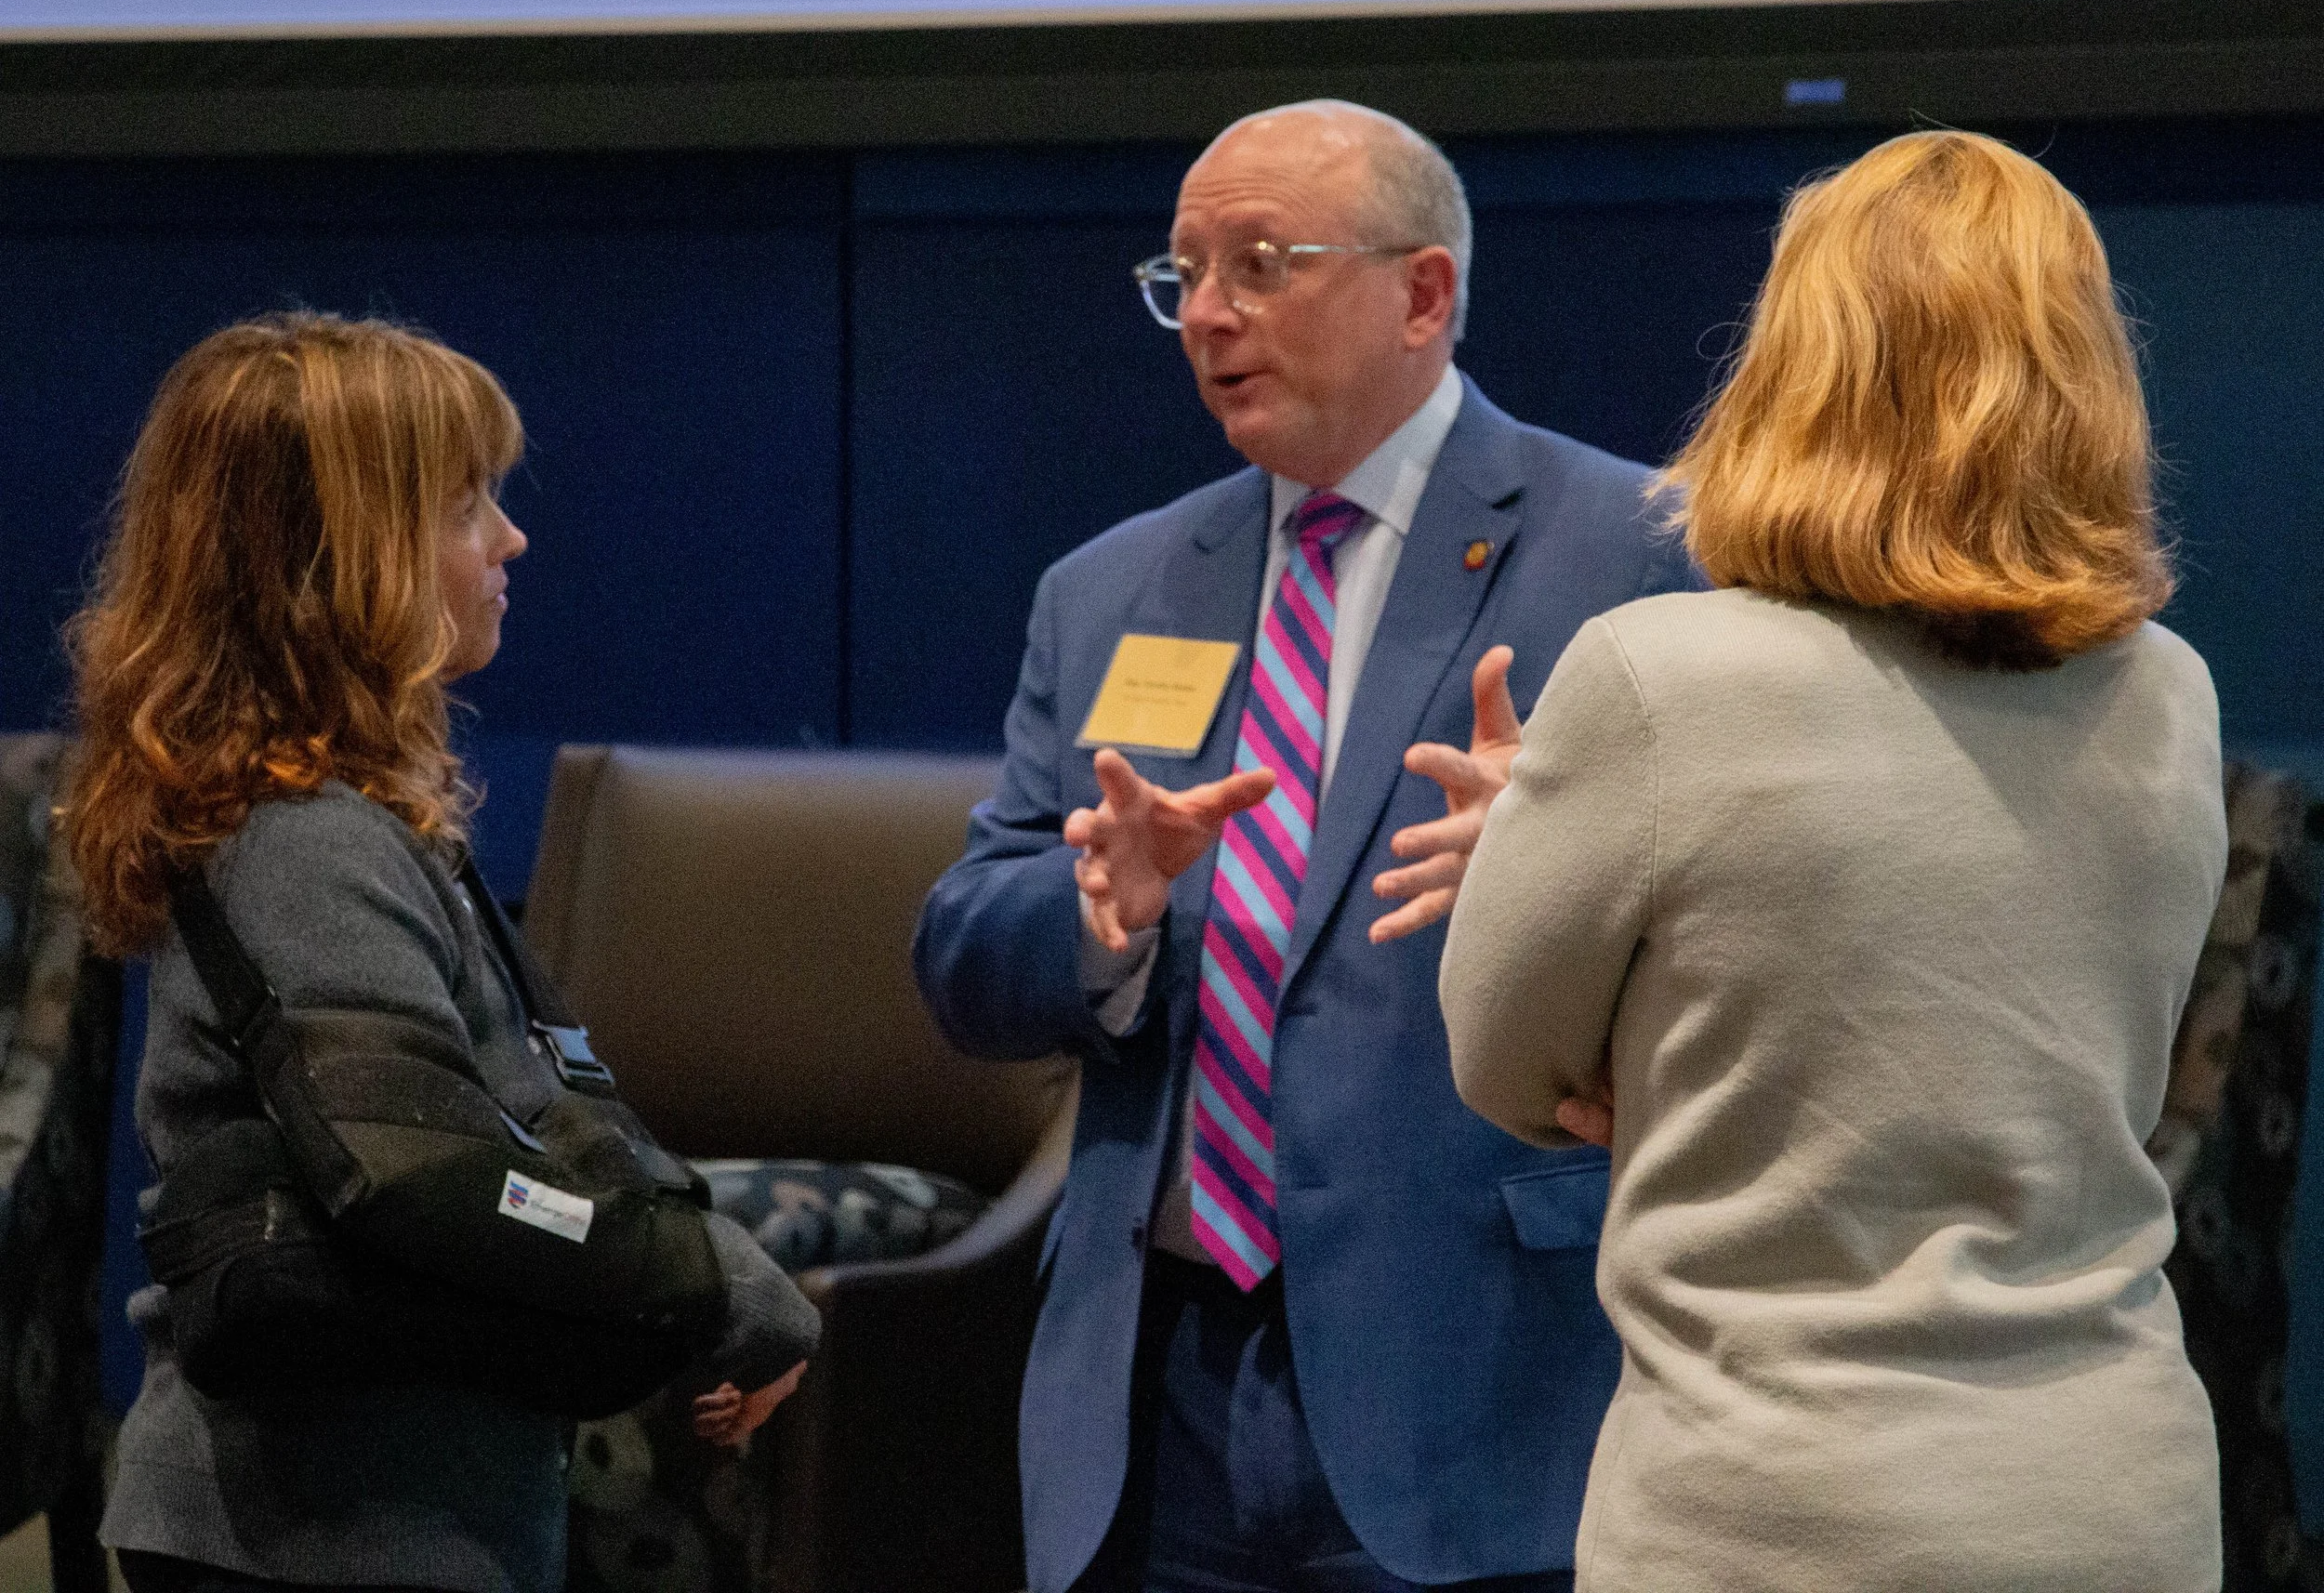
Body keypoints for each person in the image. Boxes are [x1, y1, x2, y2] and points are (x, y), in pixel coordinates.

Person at [915, 101, 1696, 1591]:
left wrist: (1563, 880)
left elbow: (1757, 931)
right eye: (1185, 273)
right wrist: (1103, 916)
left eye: (1263, 263)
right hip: (1161, 1399)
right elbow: (963, 949)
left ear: (1424, 293)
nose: (1209, 312)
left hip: (1481, 1379)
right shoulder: (1113, 588)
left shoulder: (1640, 554)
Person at [1440, 130, 2227, 1592]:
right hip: (2122, 1504)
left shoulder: (1653, 683)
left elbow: (1506, 1072)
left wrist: (1591, 922)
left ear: (1800, 364)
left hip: (1769, 1515)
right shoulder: (2169, 692)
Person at [69, 313, 815, 1593]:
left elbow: (530, 1124)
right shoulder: (305, 841)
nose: (509, 538)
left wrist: (714, 1280)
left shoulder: (347, 822)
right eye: (466, 503)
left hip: (391, 1521)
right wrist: (718, 1288)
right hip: (311, 1535)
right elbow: (440, 1179)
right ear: (343, 555)